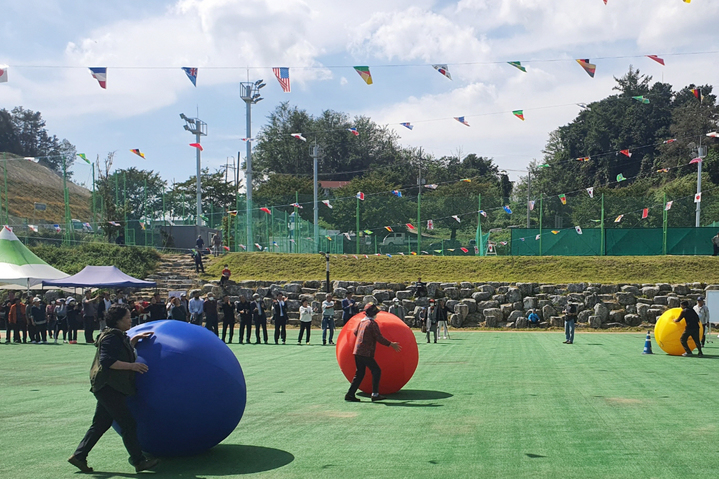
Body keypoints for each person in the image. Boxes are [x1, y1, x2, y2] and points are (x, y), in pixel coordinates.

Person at [68, 305, 158, 474]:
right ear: (117, 321)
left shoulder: (118, 335)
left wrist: (135, 339)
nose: (130, 320)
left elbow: (121, 352)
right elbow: (108, 361)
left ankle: (79, 456)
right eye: (127, 318)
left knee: (101, 423)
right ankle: (139, 461)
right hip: (108, 387)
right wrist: (133, 366)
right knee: (128, 424)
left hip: (109, 386)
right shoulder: (111, 337)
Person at [344, 303, 402, 403]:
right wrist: (391, 344)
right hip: (365, 352)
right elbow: (378, 337)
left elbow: (355, 332)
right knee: (376, 371)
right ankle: (375, 394)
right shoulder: (371, 323)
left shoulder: (362, 322)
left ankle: (350, 394)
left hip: (357, 351)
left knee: (360, 373)